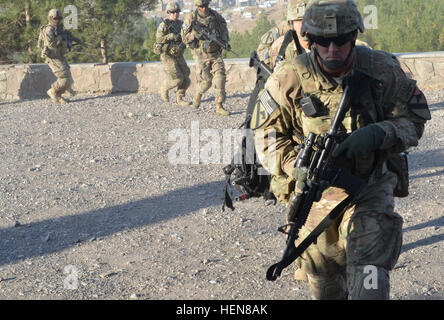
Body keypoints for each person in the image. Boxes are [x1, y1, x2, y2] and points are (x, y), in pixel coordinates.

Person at [252, 0, 430, 299]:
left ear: (353, 36)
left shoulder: (381, 68)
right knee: (326, 286)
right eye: (323, 41)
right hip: (316, 193)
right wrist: (295, 163)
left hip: (369, 184)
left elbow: (413, 119)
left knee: (370, 276)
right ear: (309, 39)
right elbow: (265, 134)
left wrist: (381, 132)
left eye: (341, 40)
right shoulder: (289, 77)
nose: (332, 49)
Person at [181, 0, 230, 116]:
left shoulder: (214, 16)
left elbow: (223, 26)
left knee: (220, 77)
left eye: (206, 5)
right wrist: (194, 35)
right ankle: (198, 93)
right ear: (197, 6)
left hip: (215, 53)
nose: (204, 8)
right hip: (201, 55)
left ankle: (219, 105)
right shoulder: (191, 18)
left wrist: (223, 39)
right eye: (201, 6)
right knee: (207, 82)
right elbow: (184, 37)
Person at [155, 2, 191, 107]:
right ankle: (164, 88)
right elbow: (158, 39)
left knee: (186, 76)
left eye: (177, 12)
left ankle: (180, 98)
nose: (175, 14)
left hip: (177, 53)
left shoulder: (180, 24)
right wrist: (170, 36)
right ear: (168, 13)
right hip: (167, 55)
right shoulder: (164, 25)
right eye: (172, 12)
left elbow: (186, 37)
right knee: (177, 79)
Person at [256, 0, 307, 69]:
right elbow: (262, 49)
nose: (303, 25)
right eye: (299, 21)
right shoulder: (285, 28)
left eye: (307, 20)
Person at [38, 9, 75, 104]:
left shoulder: (58, 28)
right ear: (50, 18)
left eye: (59, 18)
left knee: (68, 78)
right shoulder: (49, 29)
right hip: (52, 56)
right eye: (55, 18)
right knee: (64, 77)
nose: (57, 20)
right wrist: (61, 39)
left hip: (58, 55)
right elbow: (51, 44)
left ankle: (58, 95)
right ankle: (53, 91)